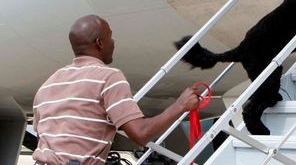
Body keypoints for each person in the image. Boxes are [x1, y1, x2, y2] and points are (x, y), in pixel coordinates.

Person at [31, 15, 200, 165]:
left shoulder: (48, 84)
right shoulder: (108, 77)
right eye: (110, 36)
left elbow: (44, 140)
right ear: (100, 43)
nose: (113, 42)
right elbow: (140, 134)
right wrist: (180, 106)